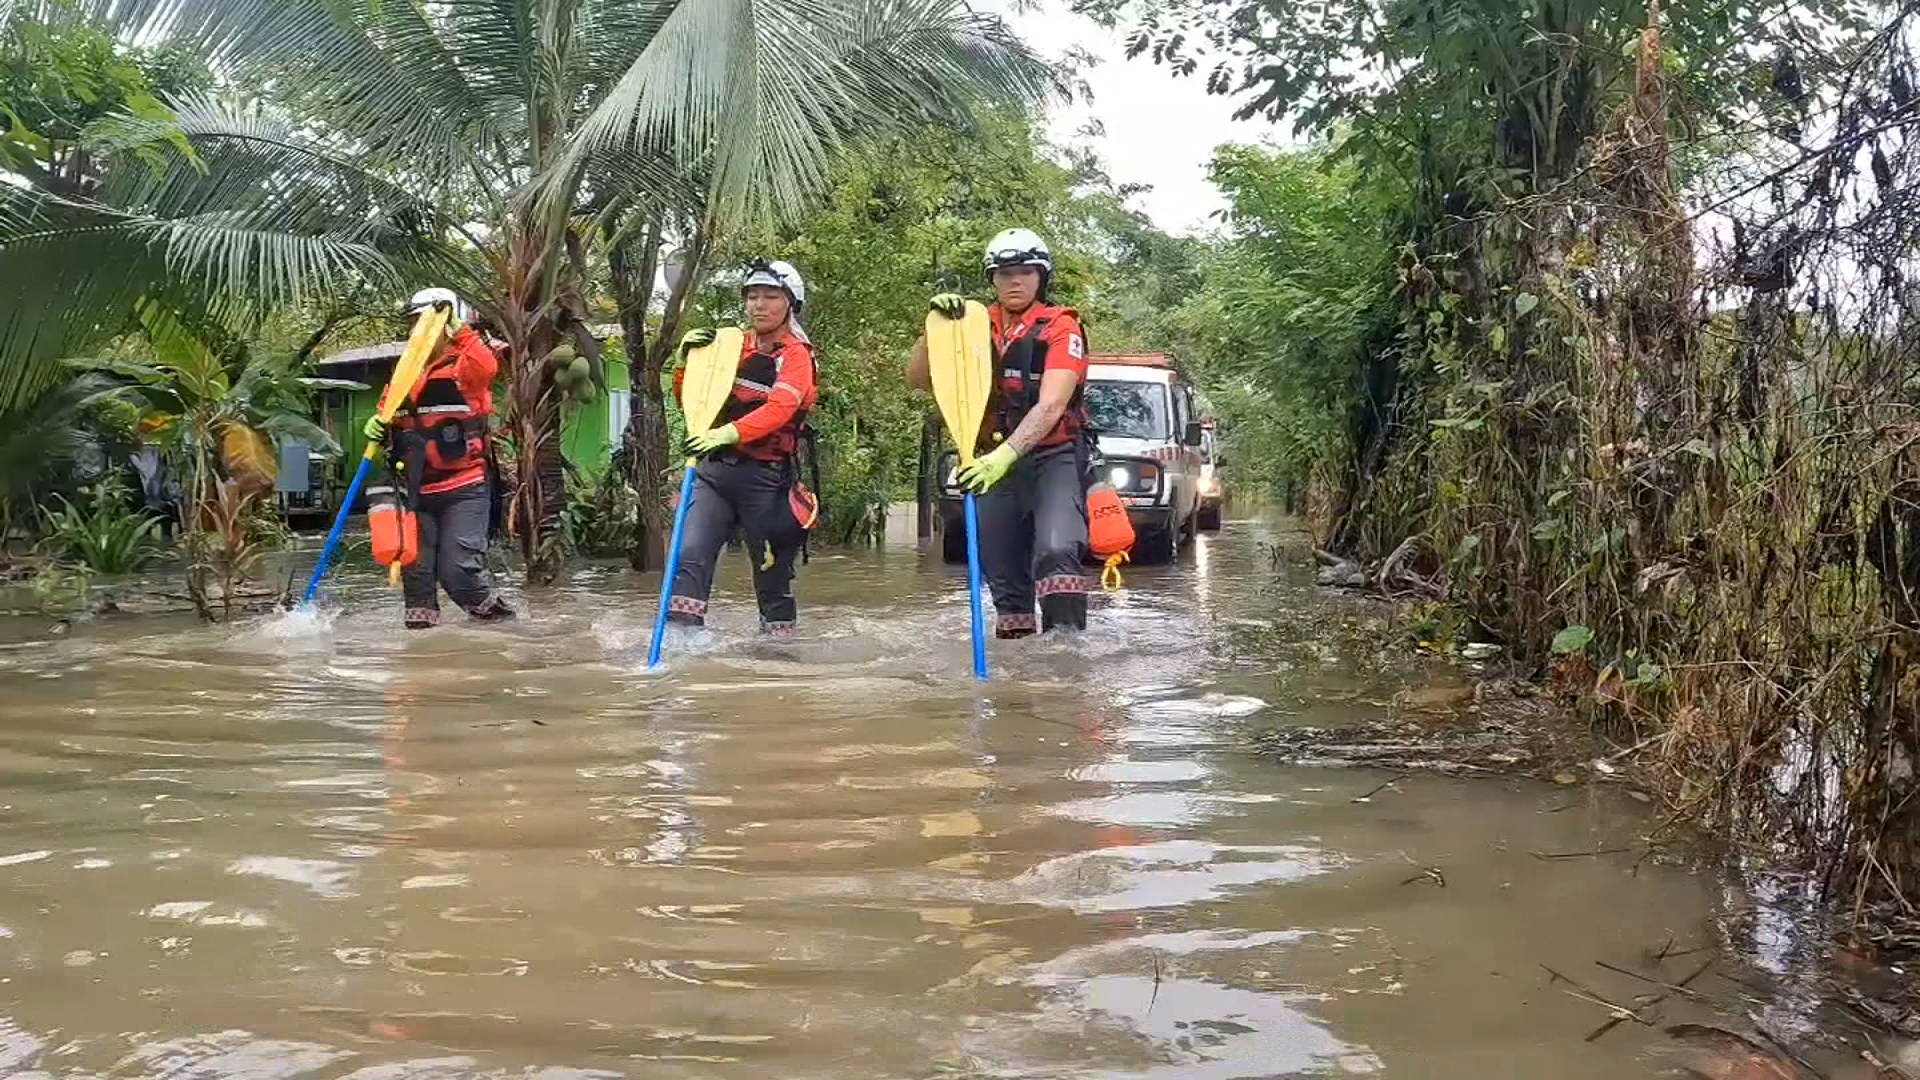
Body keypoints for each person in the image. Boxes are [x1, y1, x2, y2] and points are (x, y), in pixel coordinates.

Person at [908, 227, 1092, 638]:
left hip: (1051, 457)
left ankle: (1066, 658)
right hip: (987, 456)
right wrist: (932, 329)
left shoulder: (1061, 328)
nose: (1015, 281)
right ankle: (1017, 678)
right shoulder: (970, 324)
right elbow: (919, 380)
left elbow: (1051, 405)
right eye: (1004, 272)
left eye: (1025, 272)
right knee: (1004, 574)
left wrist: (1004, 456)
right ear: (991, 278)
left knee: (1057, 550)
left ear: (1041, 277)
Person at [669, 259, 820, 636]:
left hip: (765, 480)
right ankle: (682, 644)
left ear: (790, 303)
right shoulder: (727, 346)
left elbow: (781, 408)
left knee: (772, 575)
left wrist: (729, 432)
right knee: (689, 554)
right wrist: (683, 363)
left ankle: (778, 657)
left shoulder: (797, 356)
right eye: (752, 296)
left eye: (771, 296)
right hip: (714, 473)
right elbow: (693, 401)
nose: (759, 305)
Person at [364, 288, 515, 629]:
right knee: (416, 575)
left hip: (464, 488)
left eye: (423, 322)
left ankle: (504, 630)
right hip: (415, 490)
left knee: (459, 571)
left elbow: (487, 366)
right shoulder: (405, 372)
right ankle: (423, 657)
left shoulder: (466, 367)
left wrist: (458, 328)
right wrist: (376, 426)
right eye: (414, 323)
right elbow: (387, 414)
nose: (417, 330)